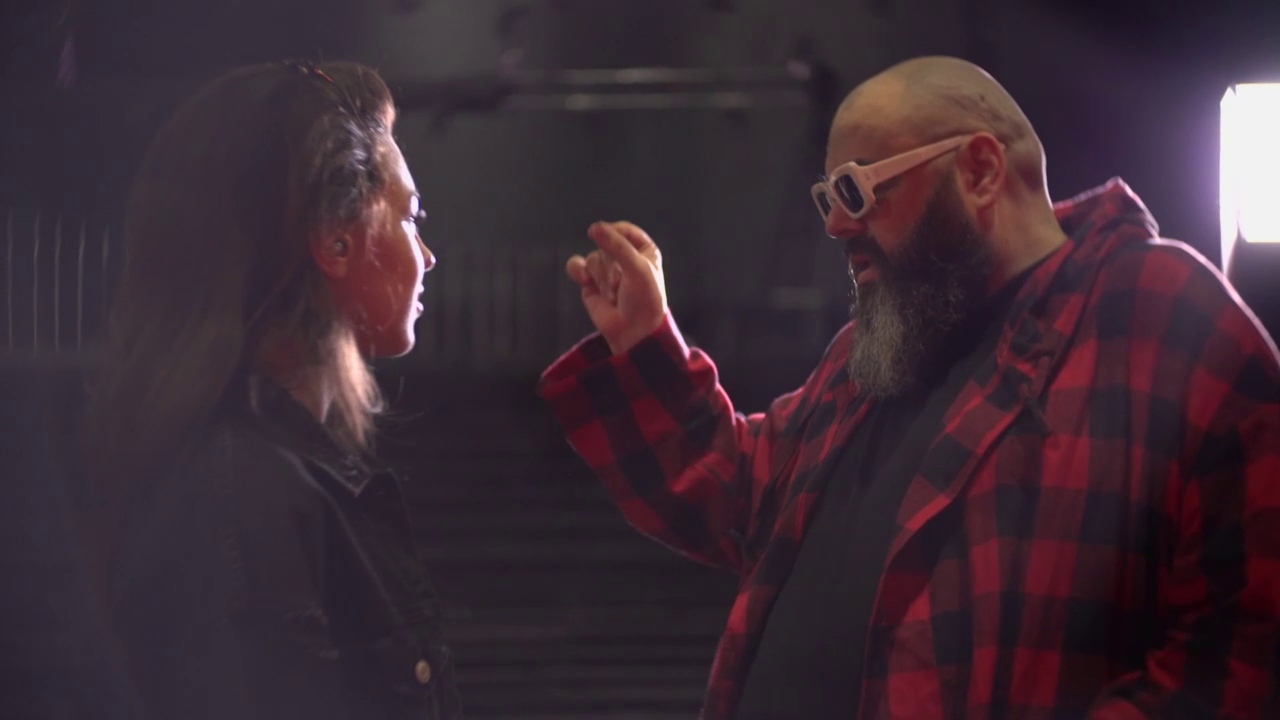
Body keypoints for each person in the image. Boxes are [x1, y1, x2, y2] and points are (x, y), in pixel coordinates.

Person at [537, 56, 1280, 719]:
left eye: (858, 190)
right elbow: (745, 494)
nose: (837, 227)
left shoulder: (1159, 315)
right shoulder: (880, 349)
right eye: (826, 198)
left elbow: (1244, 650)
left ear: (980, 170)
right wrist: (646, 343)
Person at [79, 60, 460, 719]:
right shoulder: (242, 498)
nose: (427, 255)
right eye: (410, 216)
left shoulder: (250, 471)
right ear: (335, 241)